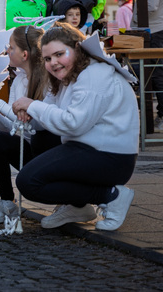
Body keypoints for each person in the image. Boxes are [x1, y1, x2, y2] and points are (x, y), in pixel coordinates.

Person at [13, 23, 139, 231]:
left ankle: (110, 196)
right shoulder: (68, 75)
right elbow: (48, 117)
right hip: (88, 149)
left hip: (111, 157)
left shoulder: (94, 74)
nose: (53, 63)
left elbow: (73, 123)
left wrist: (32, 105)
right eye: (47, 59)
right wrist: (28, 112)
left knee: (28, 182)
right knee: (41, 139)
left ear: (77, 48)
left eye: (59, 54)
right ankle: (77, 207)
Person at [0, 25, 62, 224]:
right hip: (31, 149)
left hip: (52, 151)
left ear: (24, 54)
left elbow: (40, 126)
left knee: (43, 138)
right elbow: (12, 128)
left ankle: (73, 202)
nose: (7, 51)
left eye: (11, 47)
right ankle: (7, 202)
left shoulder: (50, 80)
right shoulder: (19, 81)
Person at [148, 0, 163, 133]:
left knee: (157, 73)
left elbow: (151, 3)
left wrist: (136, 18)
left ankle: (162, 115)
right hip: (158, 26)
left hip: (155, 27)